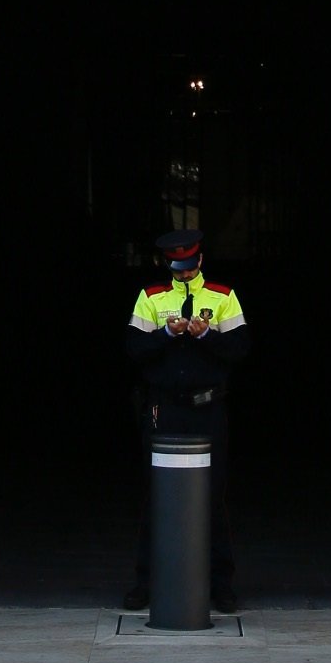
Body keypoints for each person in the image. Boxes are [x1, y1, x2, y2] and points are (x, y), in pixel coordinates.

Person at [122, 228, 251, 613]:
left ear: (199, 260)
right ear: (168, 265)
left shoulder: (223, 297)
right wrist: (167, 332)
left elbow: (240, 349)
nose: (183, 274)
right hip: (164, 409)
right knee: (156, 495)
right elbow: (134, 348)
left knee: (212, 496)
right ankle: (147, 582)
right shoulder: (151, 297)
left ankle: (220, 584)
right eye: (176, 268)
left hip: (207, 410)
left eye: (188, 267)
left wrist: (206, 334)